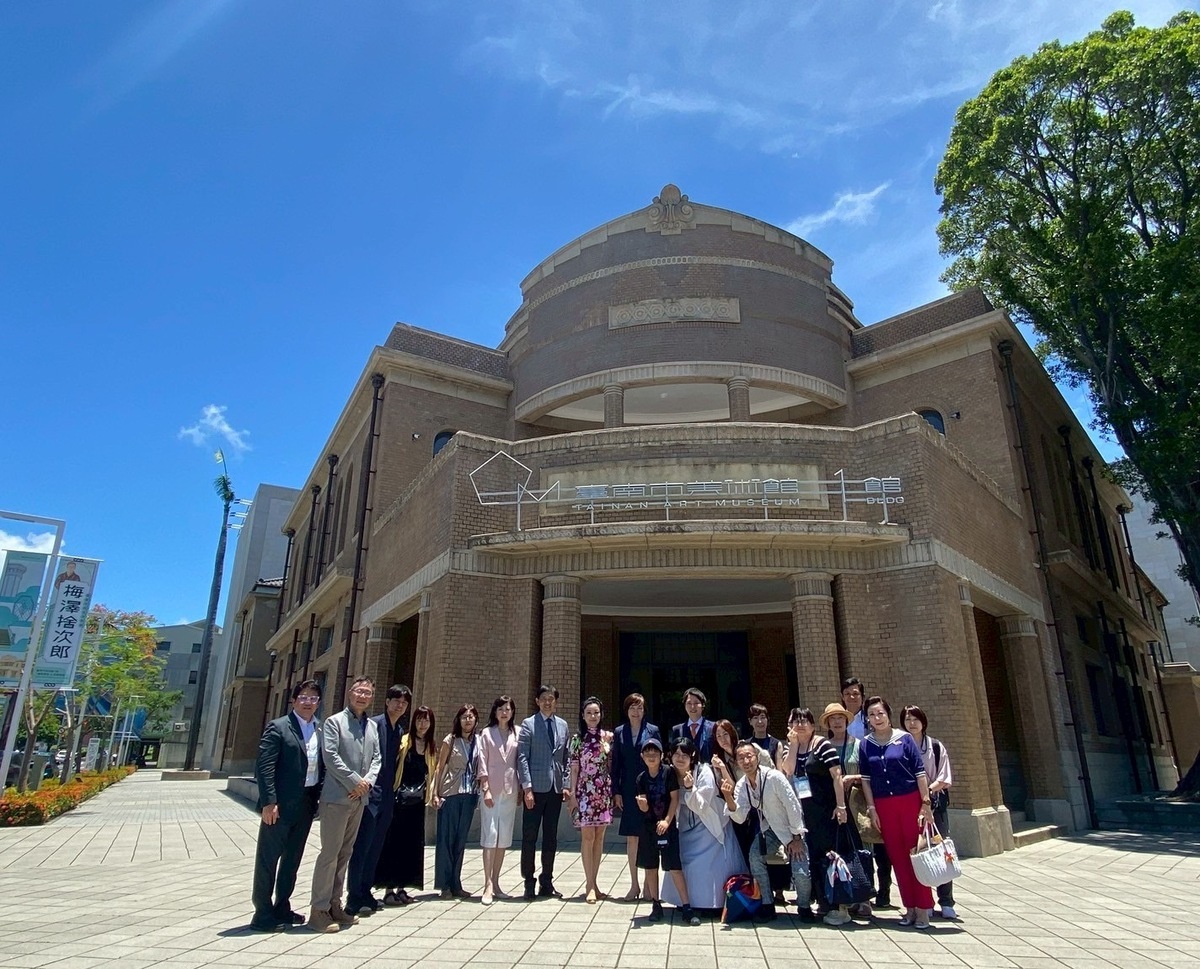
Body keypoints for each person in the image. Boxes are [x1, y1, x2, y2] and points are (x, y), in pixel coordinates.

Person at [310, 676, 382, 933]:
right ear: (350, 692)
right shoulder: (334, 722)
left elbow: (377, 759)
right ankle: (318, 910)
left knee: (344, 854)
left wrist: (367, 783)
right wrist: (355, 782)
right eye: (359, 691)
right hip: (337, 798)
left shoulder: (372, 726)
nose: (363, 696)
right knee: (329, 854)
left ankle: (334, 905)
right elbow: (330, 757)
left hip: (359, 799)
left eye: (367, 692)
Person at [250, 679, 324, 932]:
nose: (308, 702)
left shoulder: (319, 729)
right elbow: (264, 767)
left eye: (313, 698)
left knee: (292, 860)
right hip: (279, 806)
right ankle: (262, 912)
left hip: (305, 804)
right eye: (303, 697)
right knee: (268, 860)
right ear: (294, 700)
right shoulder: (278, 727)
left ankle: (282, 906)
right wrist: (269, 802)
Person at [859, 696, 935, 929]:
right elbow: (866, 781)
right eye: (872, 715)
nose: (877, 718)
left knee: (916, 856)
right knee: (898, 859)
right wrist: (872, 809)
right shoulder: (865, 744)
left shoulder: (904, 739)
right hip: (884, 805)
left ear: (888, 714)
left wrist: (926, 804)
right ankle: (909, 908)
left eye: (880, 713)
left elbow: (920, 773)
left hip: (910, 802)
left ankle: (923, 909)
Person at [722, 740, 810, 922]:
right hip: (770, 830)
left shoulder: (774, 777)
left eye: (749, 756)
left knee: (801, 872)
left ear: (757, 757)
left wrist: (796, 837)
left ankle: (804, 907)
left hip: (793, 829)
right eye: (741, 758)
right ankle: (767, 904)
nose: (746, 761)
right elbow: (739, 816)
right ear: (737, 763)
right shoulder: (743, 784)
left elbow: (793, 806)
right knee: (755, 857)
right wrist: (728, 797)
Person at [779, 708, 850, 925]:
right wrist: (792, 745)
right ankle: (822, 902)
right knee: (811, 859)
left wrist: (841, 805)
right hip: (803, 811)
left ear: (812, 725)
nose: (800, 725)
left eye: (804, 721)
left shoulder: (822, 745)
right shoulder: (788, 746)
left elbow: (837, 775)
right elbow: (788, 771)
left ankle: (839, 905)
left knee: (829, 856)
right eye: (795, 721)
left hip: (825, 809)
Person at [345, 683, 410, 916]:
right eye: (396, 701)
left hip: (387, 798)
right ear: (387, 702)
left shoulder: (399, 731)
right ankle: (354, 896)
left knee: (376, 847)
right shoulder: (374, 725)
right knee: (362, 846)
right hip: (370, 796)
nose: (400, 705)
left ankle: (366, 891)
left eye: (404, 702)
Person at [661, 736, 745, 913]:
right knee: (685, 862)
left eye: (684, 754)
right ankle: (683, 900)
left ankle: (711, 904)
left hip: (710, 823)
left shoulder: (704, 771)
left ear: (692, 756)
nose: (680, 758)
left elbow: (701, 805)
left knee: (706, 866)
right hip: (685, 825)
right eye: (676, 754)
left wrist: (690, 789)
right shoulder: (669, 773)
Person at [822, 701, 879, 917]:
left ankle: (865, 897)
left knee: (863, 850)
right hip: (834, 807)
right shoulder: (824, 746)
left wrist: (853, 778)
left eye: (840, 718)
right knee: (840, 850)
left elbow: (869, 774)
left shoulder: (860, 745)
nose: (837, 722)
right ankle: (845, 893)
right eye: (832, 719)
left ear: (847, 721)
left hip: (856, 806)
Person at [375, 705, 436, 906]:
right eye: (419, 720)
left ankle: (402, 888)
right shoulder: (404, 742)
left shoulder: (429, 746)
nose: (422, 724)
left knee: (411, 845)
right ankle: (389, 890)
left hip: (417, 803)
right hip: (399, 801)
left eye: (426, 720)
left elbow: (432, 773)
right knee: (394, 844)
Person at [635, 737, 699, 925]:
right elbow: (644, 808)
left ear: (662, 755)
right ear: (642, 756)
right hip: (648, 829)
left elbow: (675, 798)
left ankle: (687, 906)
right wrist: (643, 806)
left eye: (655, 752)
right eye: (647, 753)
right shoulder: (641, 778)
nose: (651, 756)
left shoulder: (668, 773)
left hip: (668, 827)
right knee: (651, 867)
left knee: (675, 867)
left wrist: (667, 821)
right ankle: (656, 904)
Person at [901, 704, 956, 920]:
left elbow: (944, 776)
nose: (911, 723)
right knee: (918, 852)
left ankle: (947, 900)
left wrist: (928, 791)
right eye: (907, 719)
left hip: (934, 804)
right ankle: (926, 900)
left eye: (915, 719)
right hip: (909, 804)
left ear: (923, 721)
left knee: (939, 849)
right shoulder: (901, 746)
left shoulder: (934, 746)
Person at [517, 684, 570, 900]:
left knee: (551, 837)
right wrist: (526, 787)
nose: (548, 702)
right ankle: (528, 881)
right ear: (537, 701)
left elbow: (566, 758)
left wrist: (566, 784)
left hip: (555, 789)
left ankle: (546, 880)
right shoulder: (528, 725)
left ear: (555, 701)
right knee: (529, 836)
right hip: (535, 789)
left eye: (551, 699)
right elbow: (522, 757)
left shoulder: (563, 726)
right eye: (544, 699)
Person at [610, 692, 661, 900]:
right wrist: (617, 791)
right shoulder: (619, 732)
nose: (636, 711)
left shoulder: (653, 730)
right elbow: (616, 764)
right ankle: (634, 885)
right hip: (629, 789)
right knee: (632, 838)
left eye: (639, 707)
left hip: (649, 788)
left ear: (644, 710)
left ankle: (651, 887)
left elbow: (658, 758)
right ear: (627, 710)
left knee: (649, 836)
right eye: (632, 707)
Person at [568, 696, 614, 903]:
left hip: (603, 792)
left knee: (599, 838)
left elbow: (612, 765)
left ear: (601, 714)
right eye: (589, 713)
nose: (593, 716)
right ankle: (589, 884)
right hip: (584, 793)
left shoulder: (608, 737)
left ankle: (595, 882)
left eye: (596, 712)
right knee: (588, 837)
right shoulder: (578, 739)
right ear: (583, 716)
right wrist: (572, 795)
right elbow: (574, 768)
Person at [433, 703, 480, 900]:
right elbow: (439, 767)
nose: (468, 720)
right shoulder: (450, 740)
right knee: (446, 840)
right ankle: (444, 885)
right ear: (458, 720)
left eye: (471, 717)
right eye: (464, 717)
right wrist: (434, 794)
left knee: (460, 841)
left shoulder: (478, 741)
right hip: (450, 792)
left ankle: (456, 883)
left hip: (469, 794)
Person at [476, 695, 520, 905]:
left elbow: (520, 761)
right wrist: (485, 788)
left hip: (510, 790)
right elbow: (482, 761)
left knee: (503, 837)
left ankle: (497, 881)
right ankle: (487, 885)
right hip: (491, 790)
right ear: (495, 712)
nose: (505, 712)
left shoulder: (517, 732)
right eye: (501, 709)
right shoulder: (486, 733)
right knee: (490, 834)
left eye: (508, 709)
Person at [670, 687, 715, 761]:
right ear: (684, 706)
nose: (692, 707)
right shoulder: (677, 730)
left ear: (703, 705)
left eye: (696, 703)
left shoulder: (713, 727)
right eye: (689, 703)